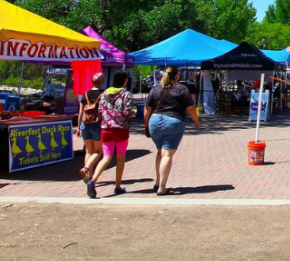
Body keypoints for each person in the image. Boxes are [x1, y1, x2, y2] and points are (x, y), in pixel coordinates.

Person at [144, 66, 201, 196]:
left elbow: (147, 108)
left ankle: (158, 182)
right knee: (167, 154)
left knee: (160, 152)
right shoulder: (181, 89)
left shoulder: (155, 88)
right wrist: (196, 121)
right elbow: (191, 108)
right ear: (176, 76)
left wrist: (146, 124)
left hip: (155, 122)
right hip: (173, 121)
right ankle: (162, 187)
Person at [86, 70, 134, 199]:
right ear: (124, 80)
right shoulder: (126, 94)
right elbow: (126, 111)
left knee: (106, 157)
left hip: (106, 128)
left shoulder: (105, 93)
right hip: (121, 129)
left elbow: (100, 110)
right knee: (120, 158)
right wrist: (131, 114)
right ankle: (117, 186)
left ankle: (93, 180)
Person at [77, 72, 105, 183]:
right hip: (97, 124)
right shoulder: (103, 94)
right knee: (98, 151)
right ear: (102, 82)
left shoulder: (86, 94)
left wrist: (79, 127)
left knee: (89, 151)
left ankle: (89, 176)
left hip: (85, 124)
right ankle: (86, 168)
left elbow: (80, 112)